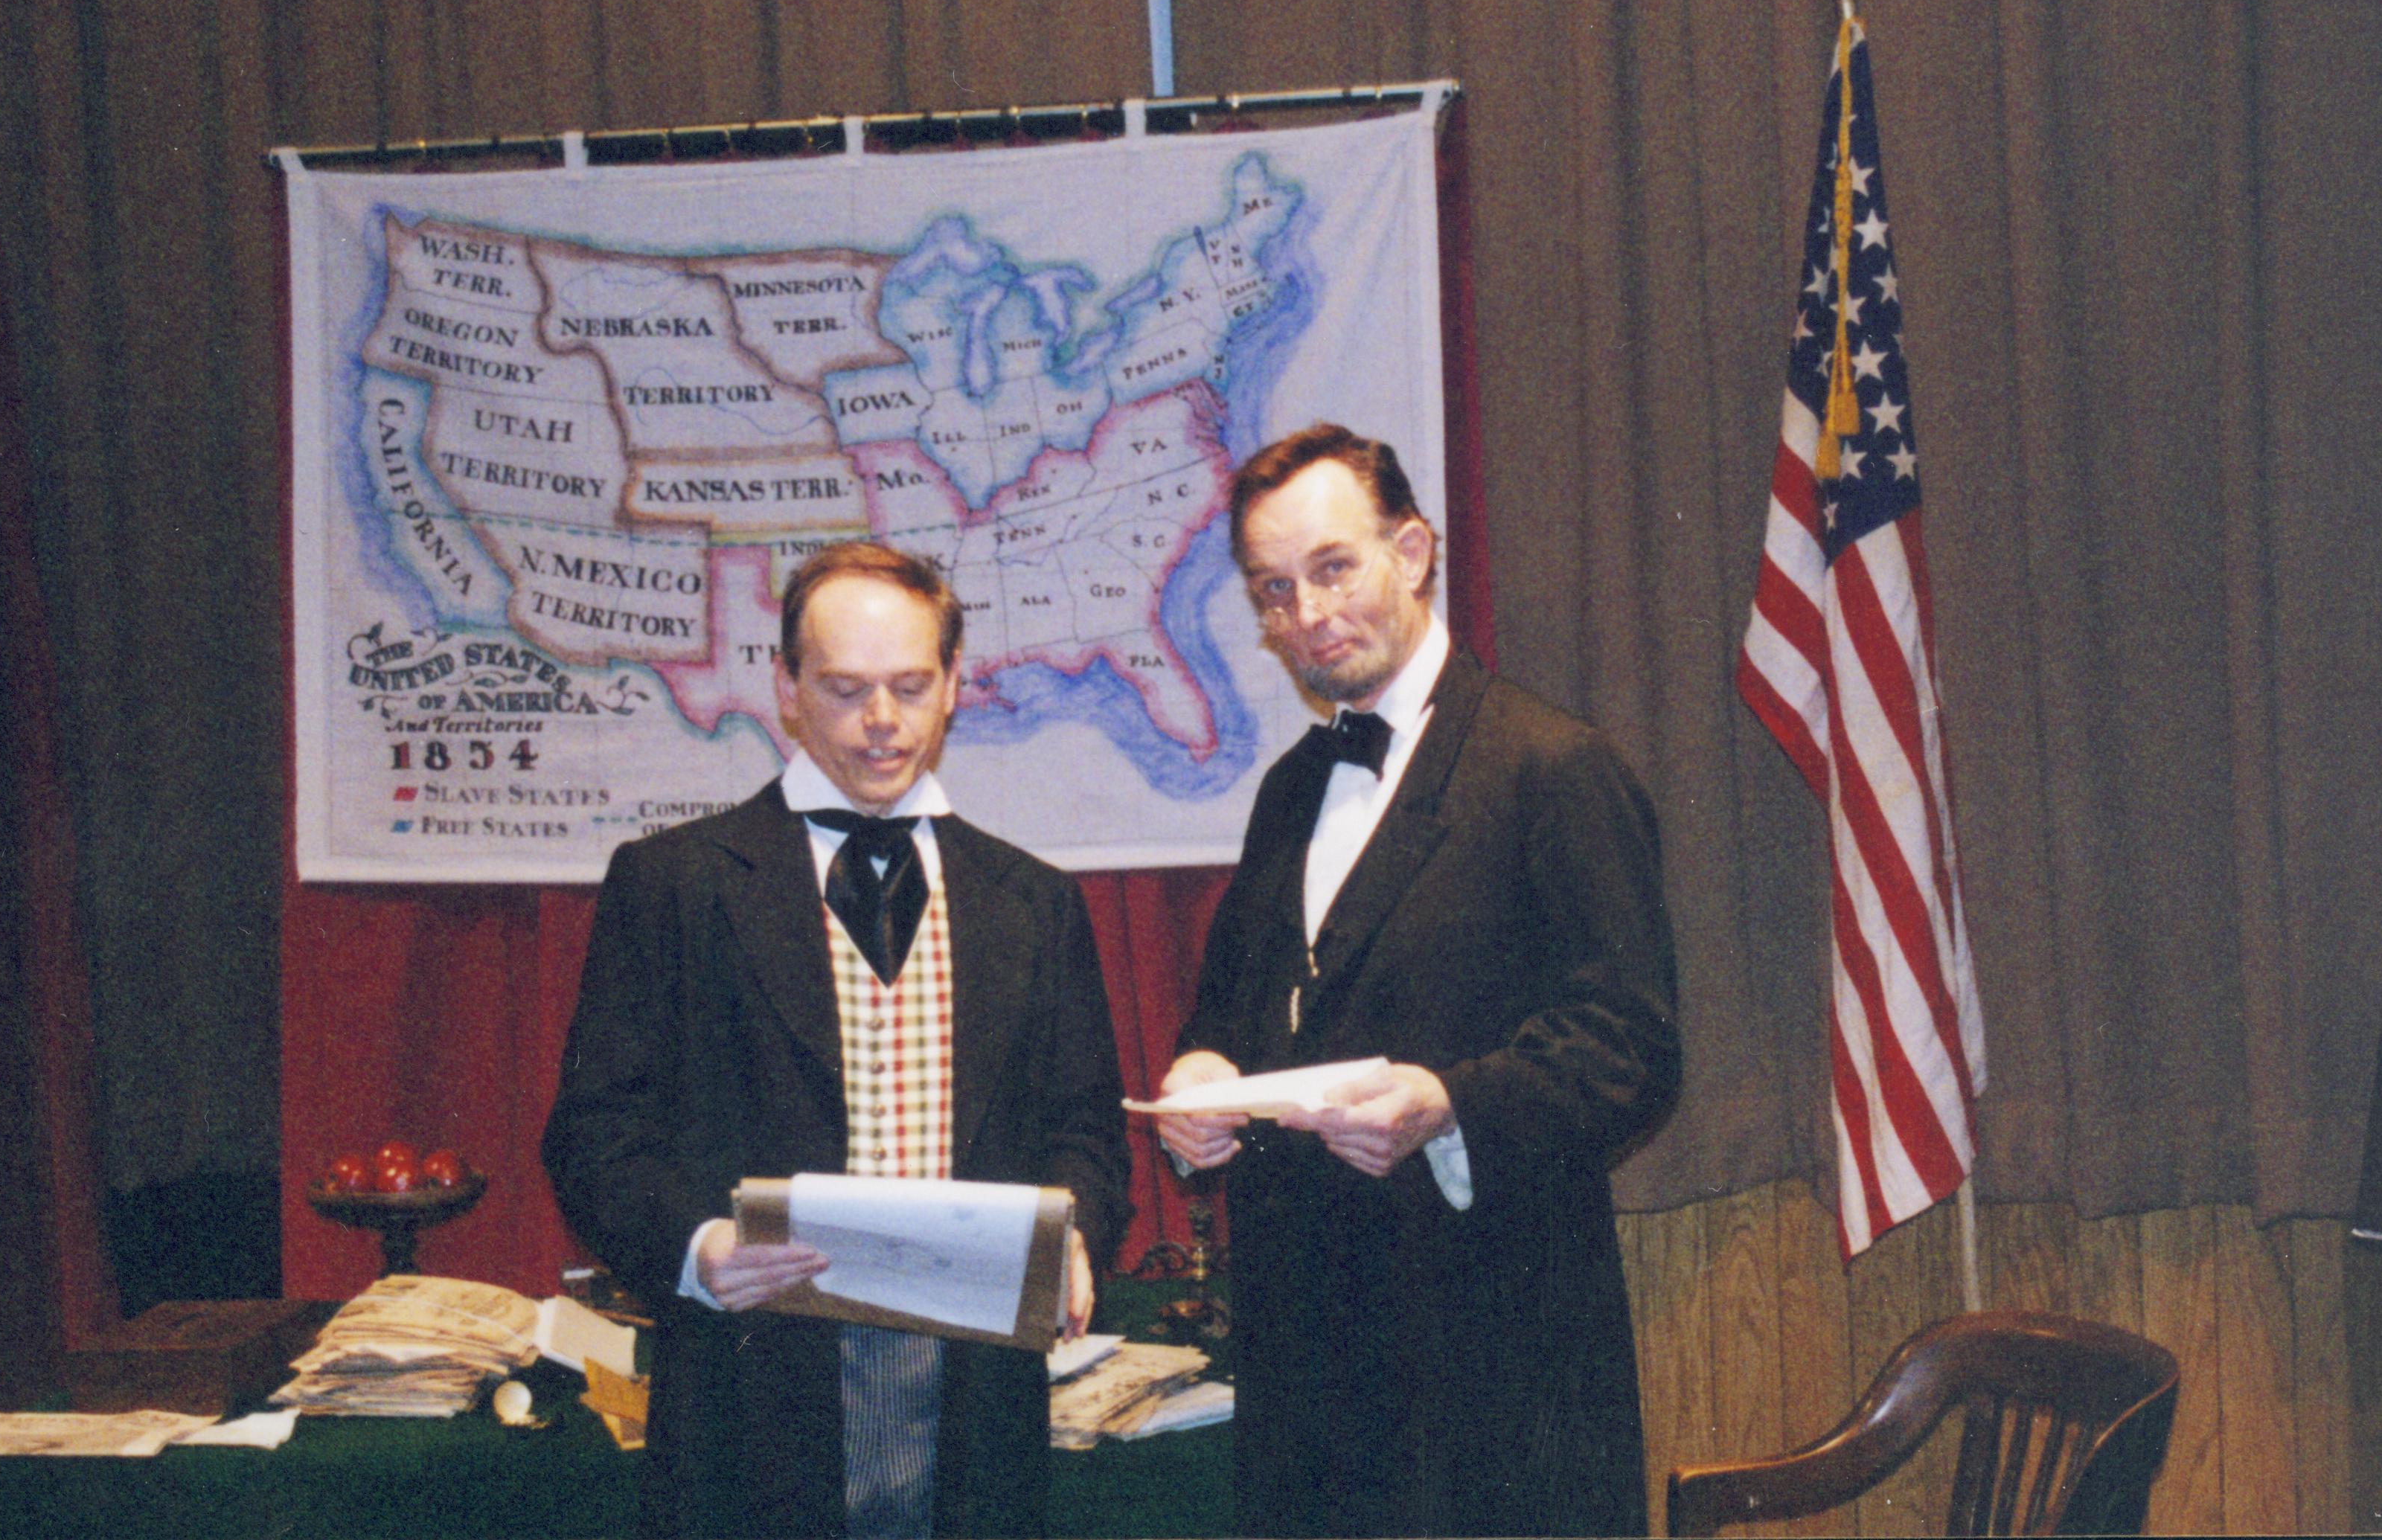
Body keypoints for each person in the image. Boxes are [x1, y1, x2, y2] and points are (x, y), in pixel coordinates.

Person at [1154, 424, 1681, 1538]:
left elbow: (1629, 1046)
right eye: (1273, 591)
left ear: (1412, 550)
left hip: (1490, 1356)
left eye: (1332, 567)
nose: (1306, 615)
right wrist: (1204, 1078)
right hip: (1308, 1359)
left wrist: (1447, 1103)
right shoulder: (1289, 789)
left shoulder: (1553, 764)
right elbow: (1234, 1017)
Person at [544, 541, 1130, 1539]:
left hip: (975, 1413)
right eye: (845, 687)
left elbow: (1083, 1128)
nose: (880, 722)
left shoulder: (1033, 901)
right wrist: (698, 1246)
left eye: (909, 685)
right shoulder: (673, 884)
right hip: (754, 1404)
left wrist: (1074, 1236)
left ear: (953, 683)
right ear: (784, 685)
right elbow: (595, 1133)